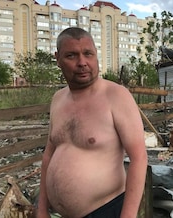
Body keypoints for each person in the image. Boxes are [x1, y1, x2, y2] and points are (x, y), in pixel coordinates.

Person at [36, 27, 148, 218]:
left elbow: (139, 158)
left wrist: (128, 216)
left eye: (88, 54)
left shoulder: (116, 96)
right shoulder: (58, 99)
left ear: (96, 54)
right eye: (71, 56)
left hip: (106, 210)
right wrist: (41, 209)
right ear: (58, 59)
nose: (82, 63)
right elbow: (49, 154)